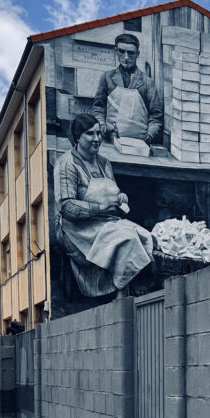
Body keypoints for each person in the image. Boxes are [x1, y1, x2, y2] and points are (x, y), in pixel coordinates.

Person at [53, 113, 155, 297]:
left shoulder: (103, 162)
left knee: (144, 235)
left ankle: (128, 283)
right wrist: (99, 208)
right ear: (77, 137)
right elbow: (66, 207)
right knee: (126, 239)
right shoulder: (66, 164)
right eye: (90, 134)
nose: (97, 139)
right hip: (76, 228)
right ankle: (121, 293)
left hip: (104, 222)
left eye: (99, 133)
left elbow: (111, 191)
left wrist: (120, 197)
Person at [92, 34, 163, 145]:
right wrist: (102, 125)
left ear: (137, 54)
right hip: (110, 140)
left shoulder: (148, 83)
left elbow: (156, 115)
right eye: (121, 51)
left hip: (138, 143)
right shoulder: (107, 77)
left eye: (130, 53)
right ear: (116, 51)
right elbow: (98, 107)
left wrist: (150, 134)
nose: (125, 57)